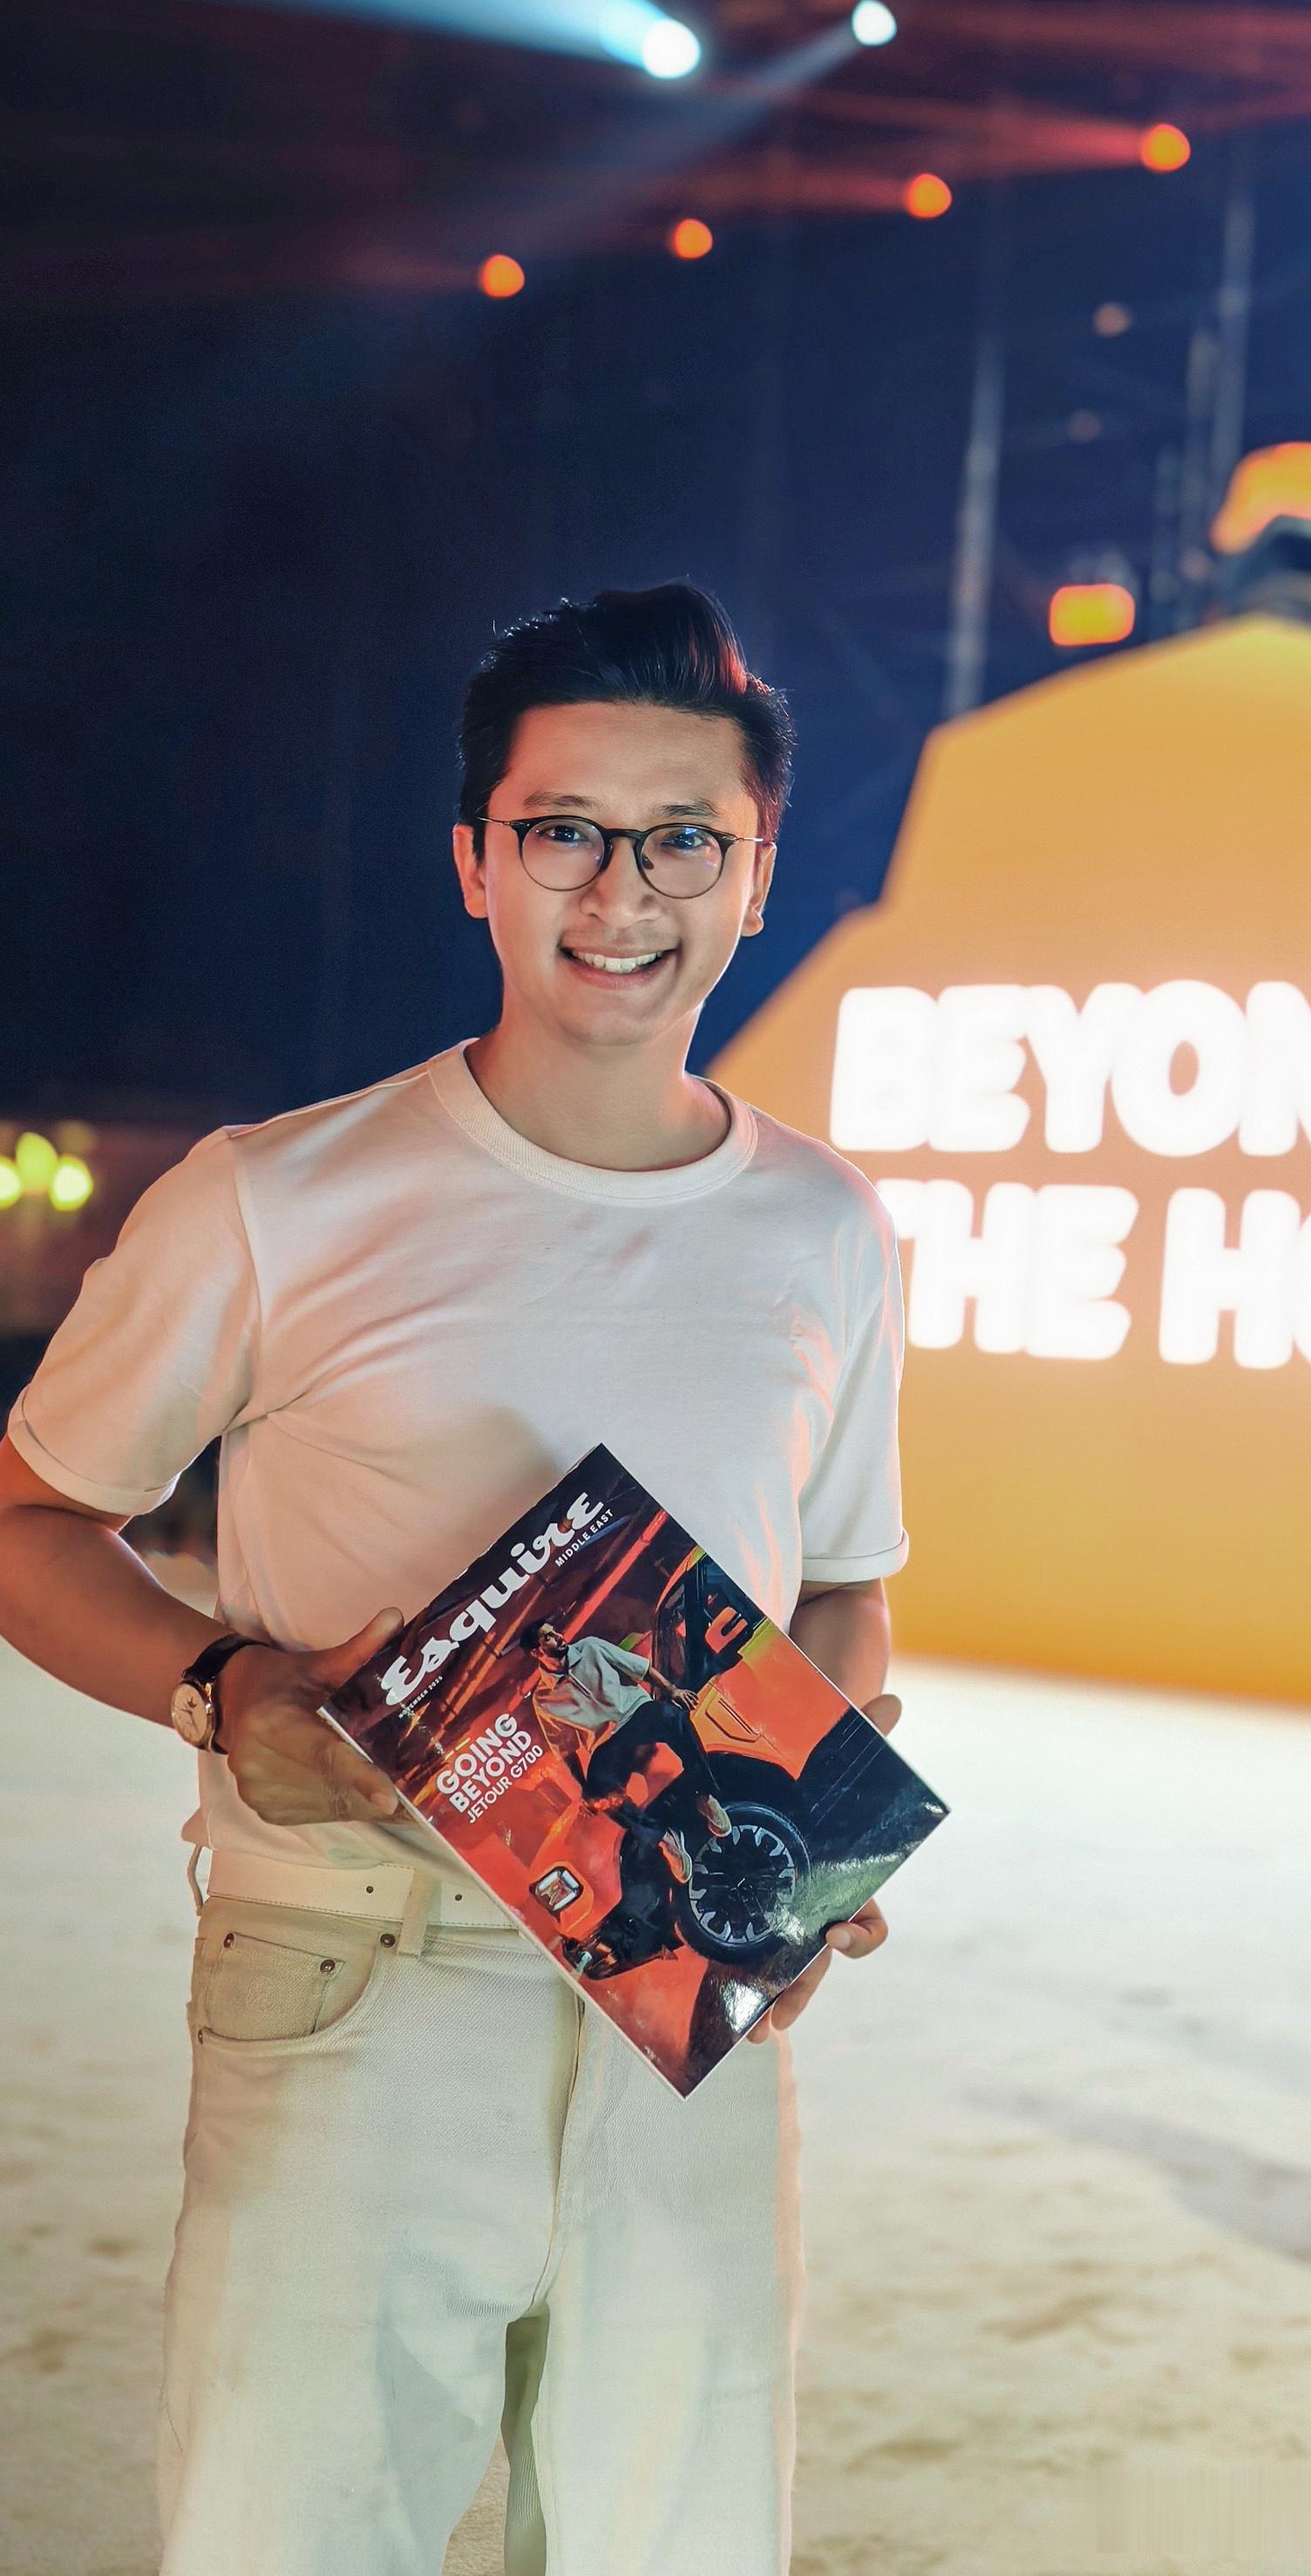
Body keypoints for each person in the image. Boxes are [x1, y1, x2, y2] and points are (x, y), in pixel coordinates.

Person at [0, 583, 908, 2576]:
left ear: (757, 876)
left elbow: (843, 1587)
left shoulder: (826, 1228)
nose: (623, 890)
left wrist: (820, 1818)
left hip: (691, 2022)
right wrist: (219, 1691)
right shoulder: (274, 1196)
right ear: (474, 861)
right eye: (565, 828)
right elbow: (31, 1519)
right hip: (356, 1972)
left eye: (684, 839)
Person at [526, 1614, 737, 1850]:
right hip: (605, 1743)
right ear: (536, 1652)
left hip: (636, 1711)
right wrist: (586, 1789)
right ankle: (663, 1840)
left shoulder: (591, 1647)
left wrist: (672, 1690)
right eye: (548, 1637)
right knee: (601, 1793)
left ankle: (704, 1795)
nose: (558, 1636)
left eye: (554, 1631)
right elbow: (564, 1749)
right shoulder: (543, 1700)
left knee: (675, 1718)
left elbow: (640, 1668)